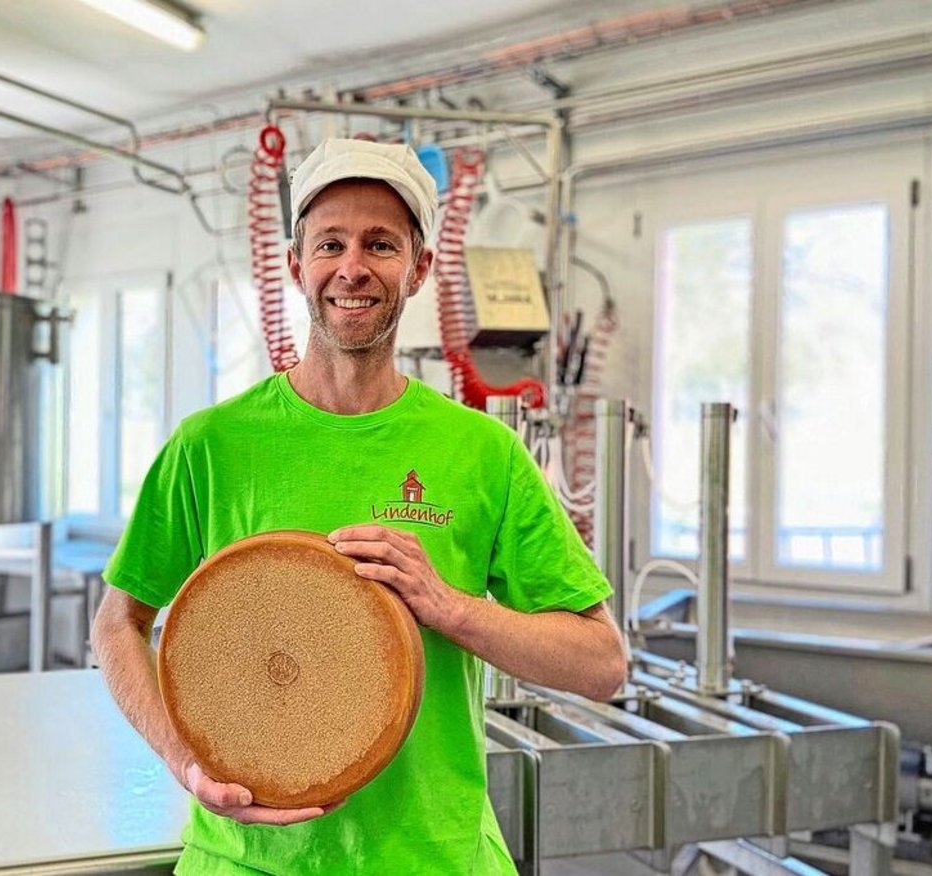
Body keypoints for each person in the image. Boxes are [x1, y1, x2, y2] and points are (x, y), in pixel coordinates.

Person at [92, 137, 627, 874]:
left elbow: (602, 664)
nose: (352, 268)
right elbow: (119, 622)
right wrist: (185, 760)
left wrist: (448, 606)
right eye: (330, 244)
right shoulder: (211, 446)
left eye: (380, 244)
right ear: (295, 265)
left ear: (420, 269)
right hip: (250, 860)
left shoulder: (482, 452)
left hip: (433, 858)